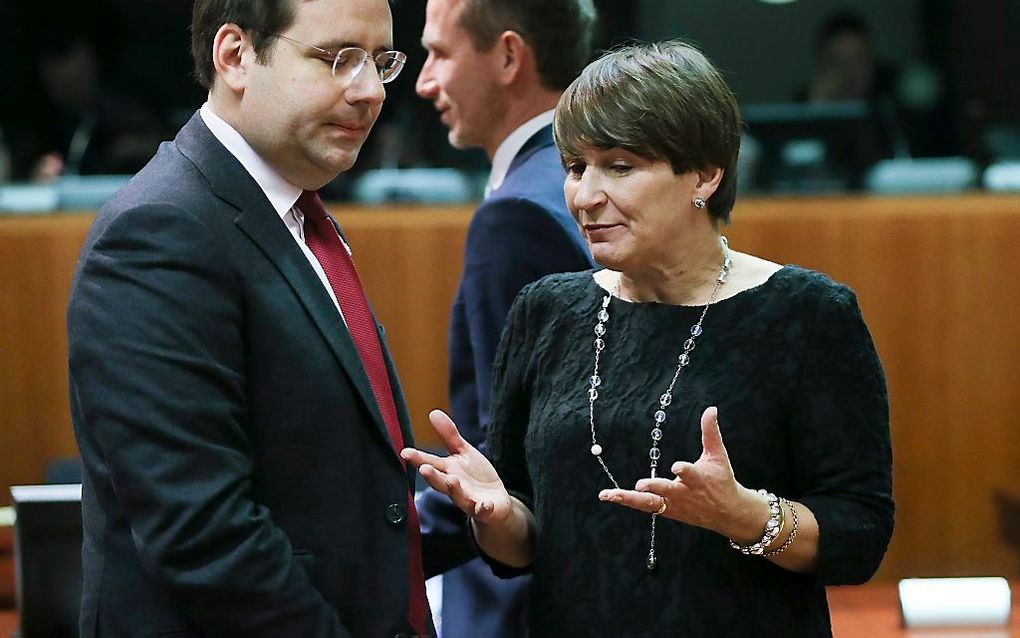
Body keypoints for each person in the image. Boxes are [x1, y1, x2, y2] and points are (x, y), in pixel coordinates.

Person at [402, 40, 894, 636]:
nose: (585, 197)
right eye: (576, 167)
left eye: (620, 166)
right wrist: (496, 516)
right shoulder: (545, 311)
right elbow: (524, 548)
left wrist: (746, 516)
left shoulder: (809, 313)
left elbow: (860, 534)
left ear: (705, 175)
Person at [68, 1, 437, 635]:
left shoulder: (291, 211)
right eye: (338, 58)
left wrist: (481, 516)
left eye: (381, 62)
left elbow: (330, 482)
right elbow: (203, 536)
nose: (371, 91)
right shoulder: (160, 232)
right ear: (235, 56)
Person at [413, 0, 596, 635]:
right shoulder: (590, 180)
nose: (423, 81)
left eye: (439, 53)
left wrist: (385, 549)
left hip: (523, 596)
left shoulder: (519, 214)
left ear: (509, 56)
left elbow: (514, 457)